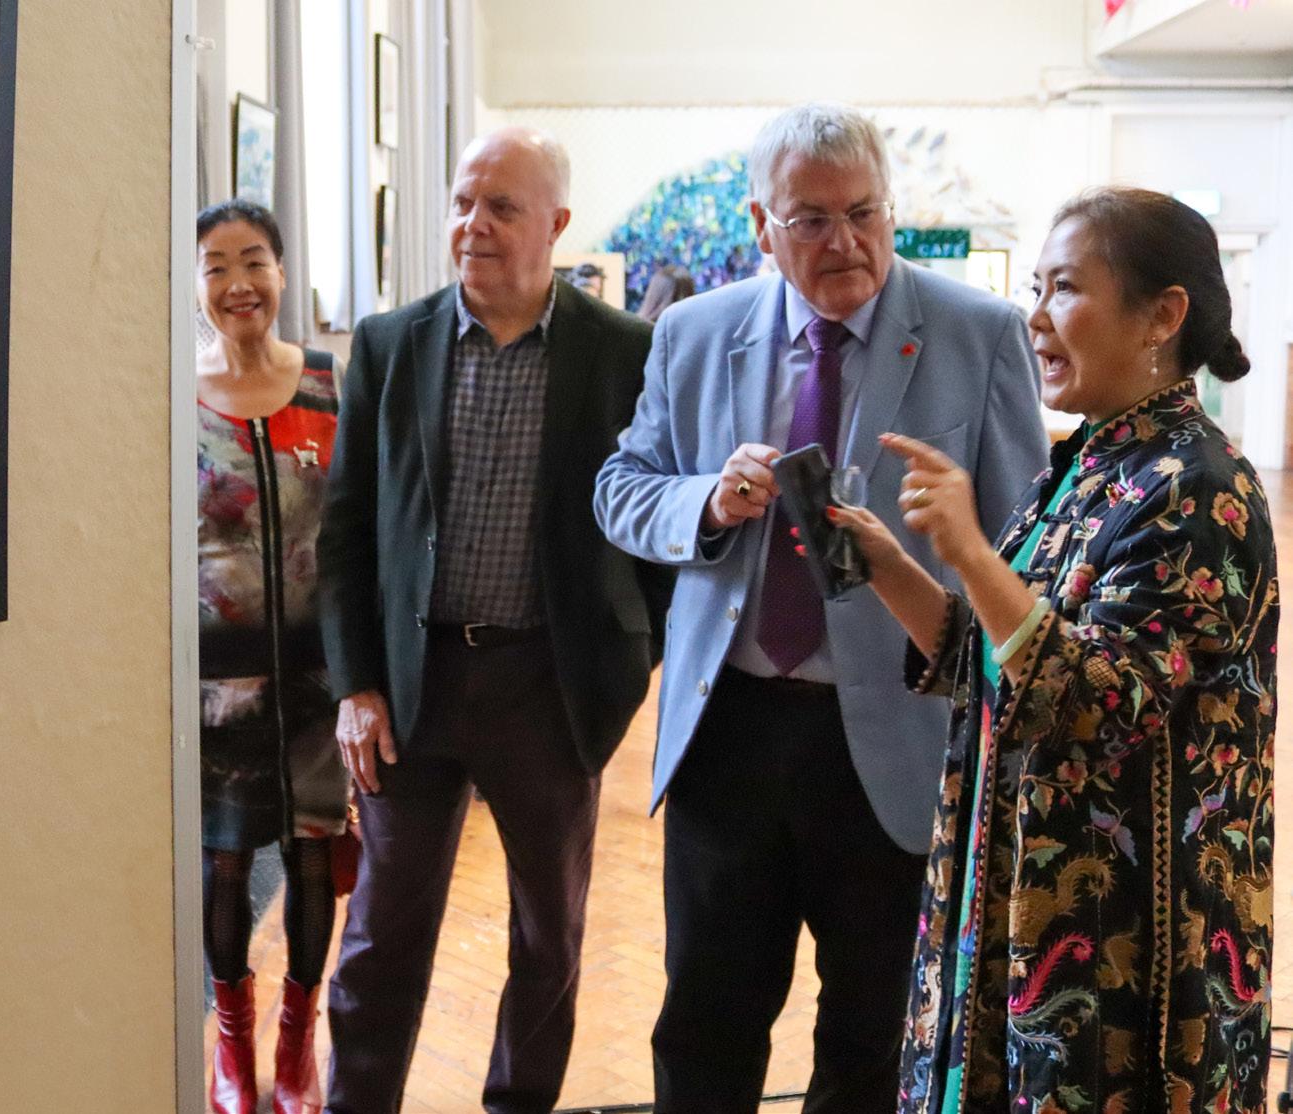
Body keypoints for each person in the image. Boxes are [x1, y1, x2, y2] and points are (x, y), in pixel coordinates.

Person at [592, 102, 1046, 1113]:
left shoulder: (978, 333)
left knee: (872, 1035)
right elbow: (620, 490)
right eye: (811, 220)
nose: (844, 241)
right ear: (762, 225)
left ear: (891, 209)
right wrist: (707, 500)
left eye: (863, 213)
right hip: (730, 729)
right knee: (705, 1021)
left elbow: (1025, 541)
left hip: (899, 730)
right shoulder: (693, 334)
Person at [830, 187, 1276, 1113]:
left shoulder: (1201, 487)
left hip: (1126, 952)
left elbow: (1099, 707)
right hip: (1020, 912)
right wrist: (888, 566)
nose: (1035, 316)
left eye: (1065, 288)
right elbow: (1000, 664)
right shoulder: (1086, 465)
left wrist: (969, 550)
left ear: (1162, 315)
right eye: (1036, 288)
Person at [318, 127, 669, 1114]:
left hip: (548, 688)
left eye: (502, 207)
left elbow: (657, 524)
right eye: (462, 202)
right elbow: (345, 531)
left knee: (548, 936)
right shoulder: (390, 345)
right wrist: (354, 684)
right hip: (411, 685)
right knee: (381, 935)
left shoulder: (625, 353)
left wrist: (628, 657)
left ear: (556, 224)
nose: (473, 224)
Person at [194, 200, 350, 1114]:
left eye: (253, 261)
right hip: (218, 685)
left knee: (312, 855)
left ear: (282, 273)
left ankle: (295, 1043)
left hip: (318, 677)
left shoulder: (328, 384)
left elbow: (357, 526)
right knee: (224, 862)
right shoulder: (176, 395)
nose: (237, 283)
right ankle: (231, 1041)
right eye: (215, 266)